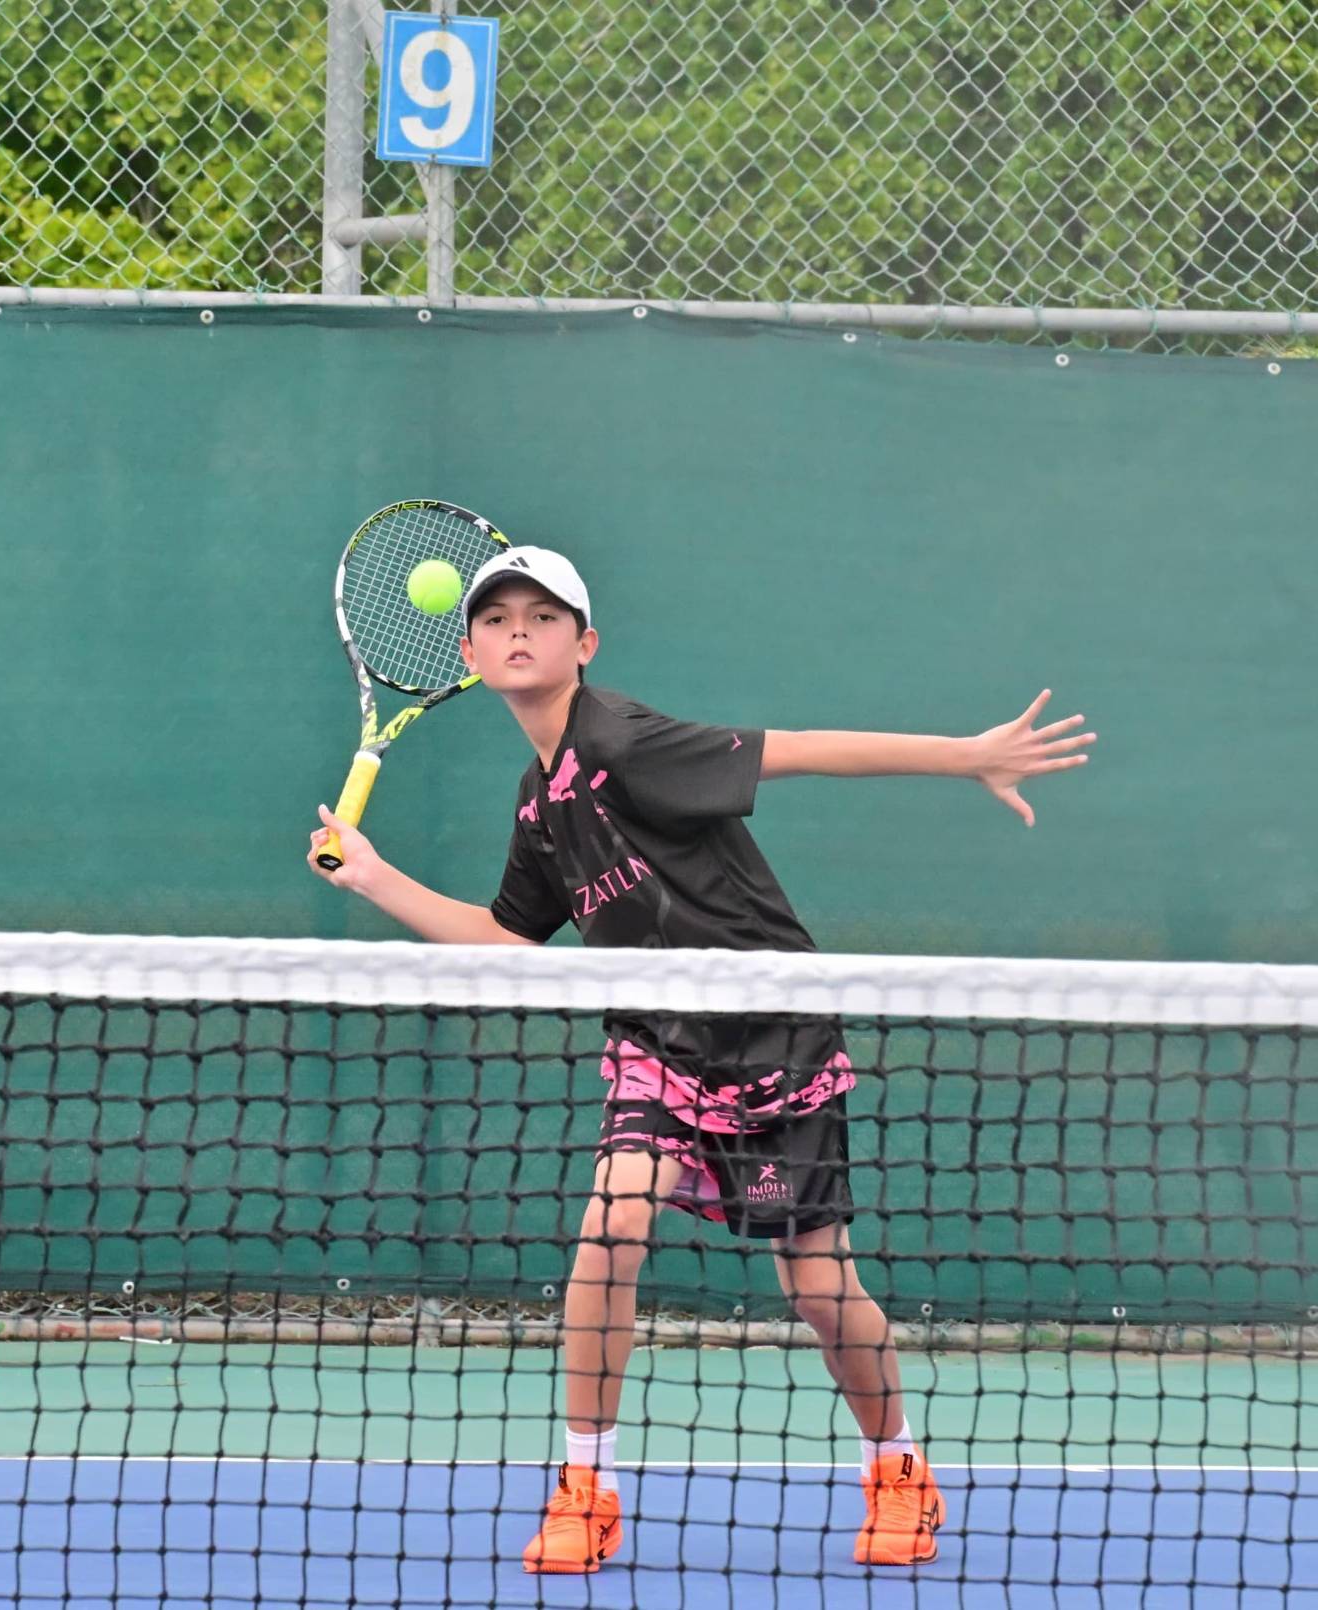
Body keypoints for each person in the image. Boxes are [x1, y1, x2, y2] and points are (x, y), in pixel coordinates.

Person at [304, 546, 1095, 1573]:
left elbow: (797, 749)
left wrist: (964, 754)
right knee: (610, 1221)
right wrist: (372, 878)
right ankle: (586, 1485)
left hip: (769, 1024)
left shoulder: (626, 740)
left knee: (814, 1284)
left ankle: (896, 1465)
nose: (514, 629)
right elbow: (508, 941)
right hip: (654, 1043)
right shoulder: (539, 800)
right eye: (494, 616)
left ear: (580, 644)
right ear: (465, 650)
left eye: (540, 616)